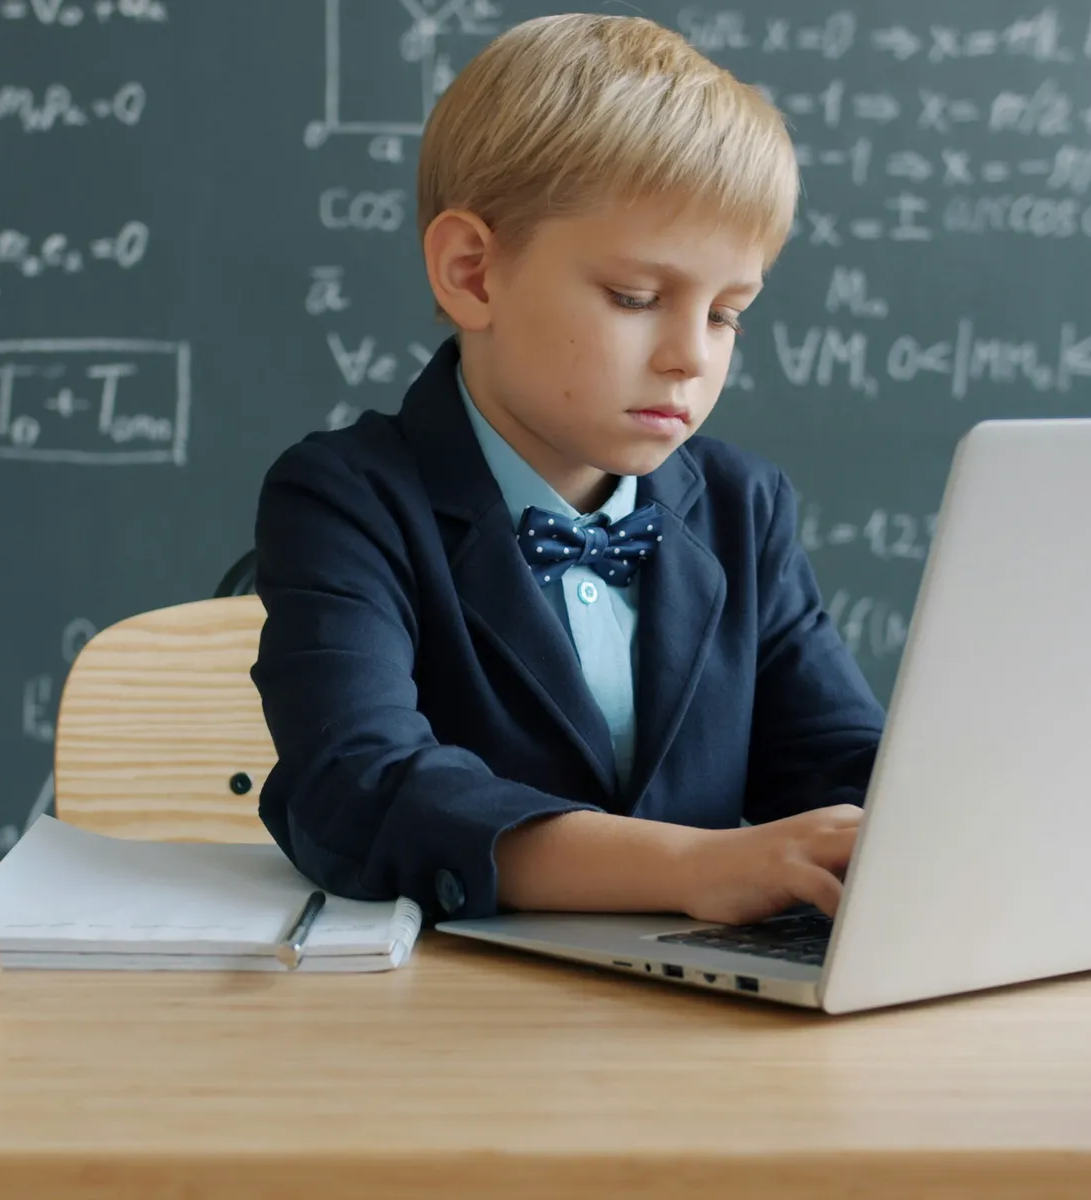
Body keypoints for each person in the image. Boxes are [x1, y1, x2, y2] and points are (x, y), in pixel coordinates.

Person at [249, 13, 885, 928]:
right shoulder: (347, 499)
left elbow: (838, 760)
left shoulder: (747, 507)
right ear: (472, 272)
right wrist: (694, 867)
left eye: (726, 315)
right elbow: (360, 785)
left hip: (695, 1020)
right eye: (636, 297)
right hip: (446, 1018)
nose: (689, 358)